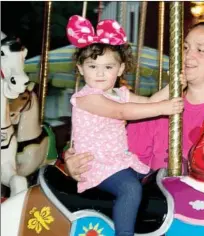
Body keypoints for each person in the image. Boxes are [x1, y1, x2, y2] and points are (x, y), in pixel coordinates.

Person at [62, 20, 204, 224]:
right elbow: (110, 156)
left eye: (200, 50)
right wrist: (73, 164)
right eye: (184, 48)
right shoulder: (150, 112)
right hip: (165, 215)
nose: (187, 56)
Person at [65, 15, 185, 236]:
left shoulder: (119, 93)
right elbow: (122, 111)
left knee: (161, 179)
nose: (100, 73)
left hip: (121, 161)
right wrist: (164, 108)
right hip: (97, 164)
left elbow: (149, 102)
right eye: (93, 66)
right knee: (130, 189)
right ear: (81, 69)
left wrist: (175, 85)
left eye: (108, 66)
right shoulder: (86, 98)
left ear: (120, 69)